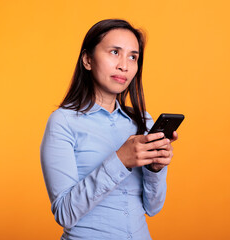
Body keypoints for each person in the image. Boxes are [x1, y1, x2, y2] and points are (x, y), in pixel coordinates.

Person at [40, 19, 178, 240]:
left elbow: (153, 208)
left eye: (133, 57)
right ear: (87, 60)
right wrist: (120, 160)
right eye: (115, 52)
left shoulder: (142, 121)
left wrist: (155, 169)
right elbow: (64, 214)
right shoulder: (63, 122)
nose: (124, 65)